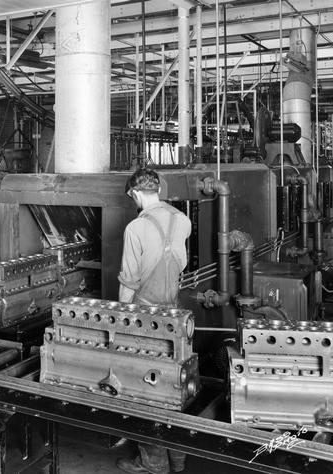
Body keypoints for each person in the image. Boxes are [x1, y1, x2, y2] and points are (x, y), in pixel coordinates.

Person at [116, 168, 191, 474]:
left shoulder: (135, 228)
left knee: (144, 389)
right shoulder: (182, 220)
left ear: (134, 193)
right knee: (174, 387)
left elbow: (129, 282)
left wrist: (118, 321)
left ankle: (154, 462)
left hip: (144, 318)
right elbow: (180, 264)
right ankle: (179, 459)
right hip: (174, 313)